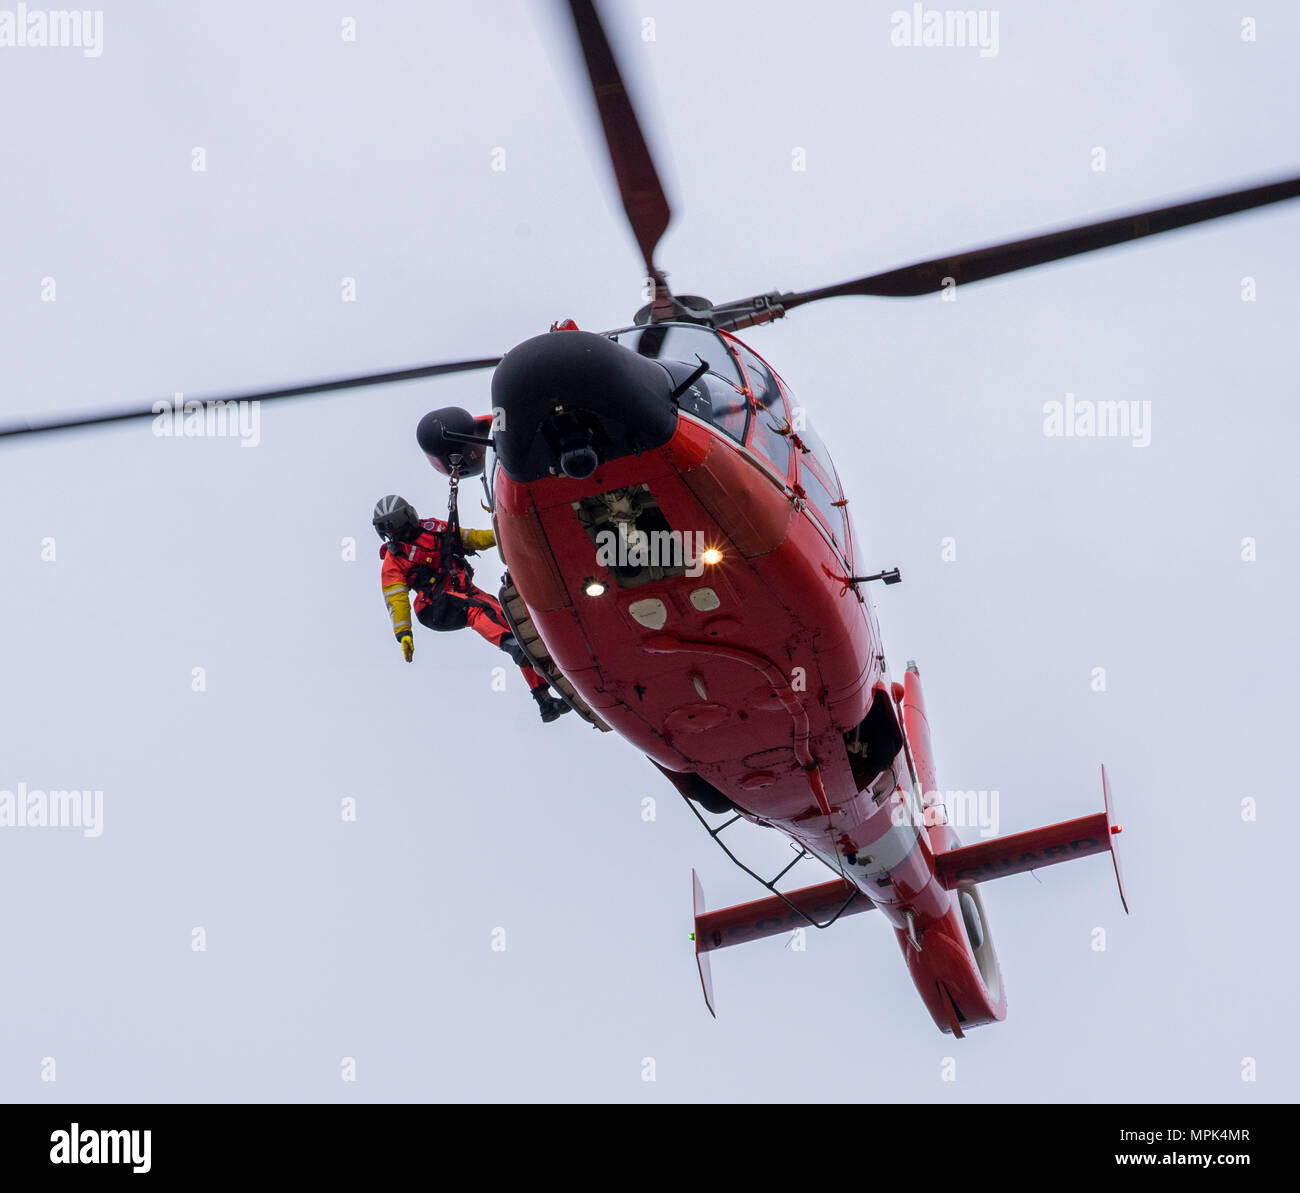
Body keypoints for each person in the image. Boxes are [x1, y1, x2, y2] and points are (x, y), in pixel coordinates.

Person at [372, 494, 571, 723]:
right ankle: (512, 645)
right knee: (483, 614)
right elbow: (396, 599)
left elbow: (471, 538)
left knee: (514, 624)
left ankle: (544, 700)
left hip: (462, 592)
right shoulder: (394, 560)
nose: (402, 535)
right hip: (435, 606)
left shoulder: (433, 529)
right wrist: (404, 634)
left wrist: (504, 534)